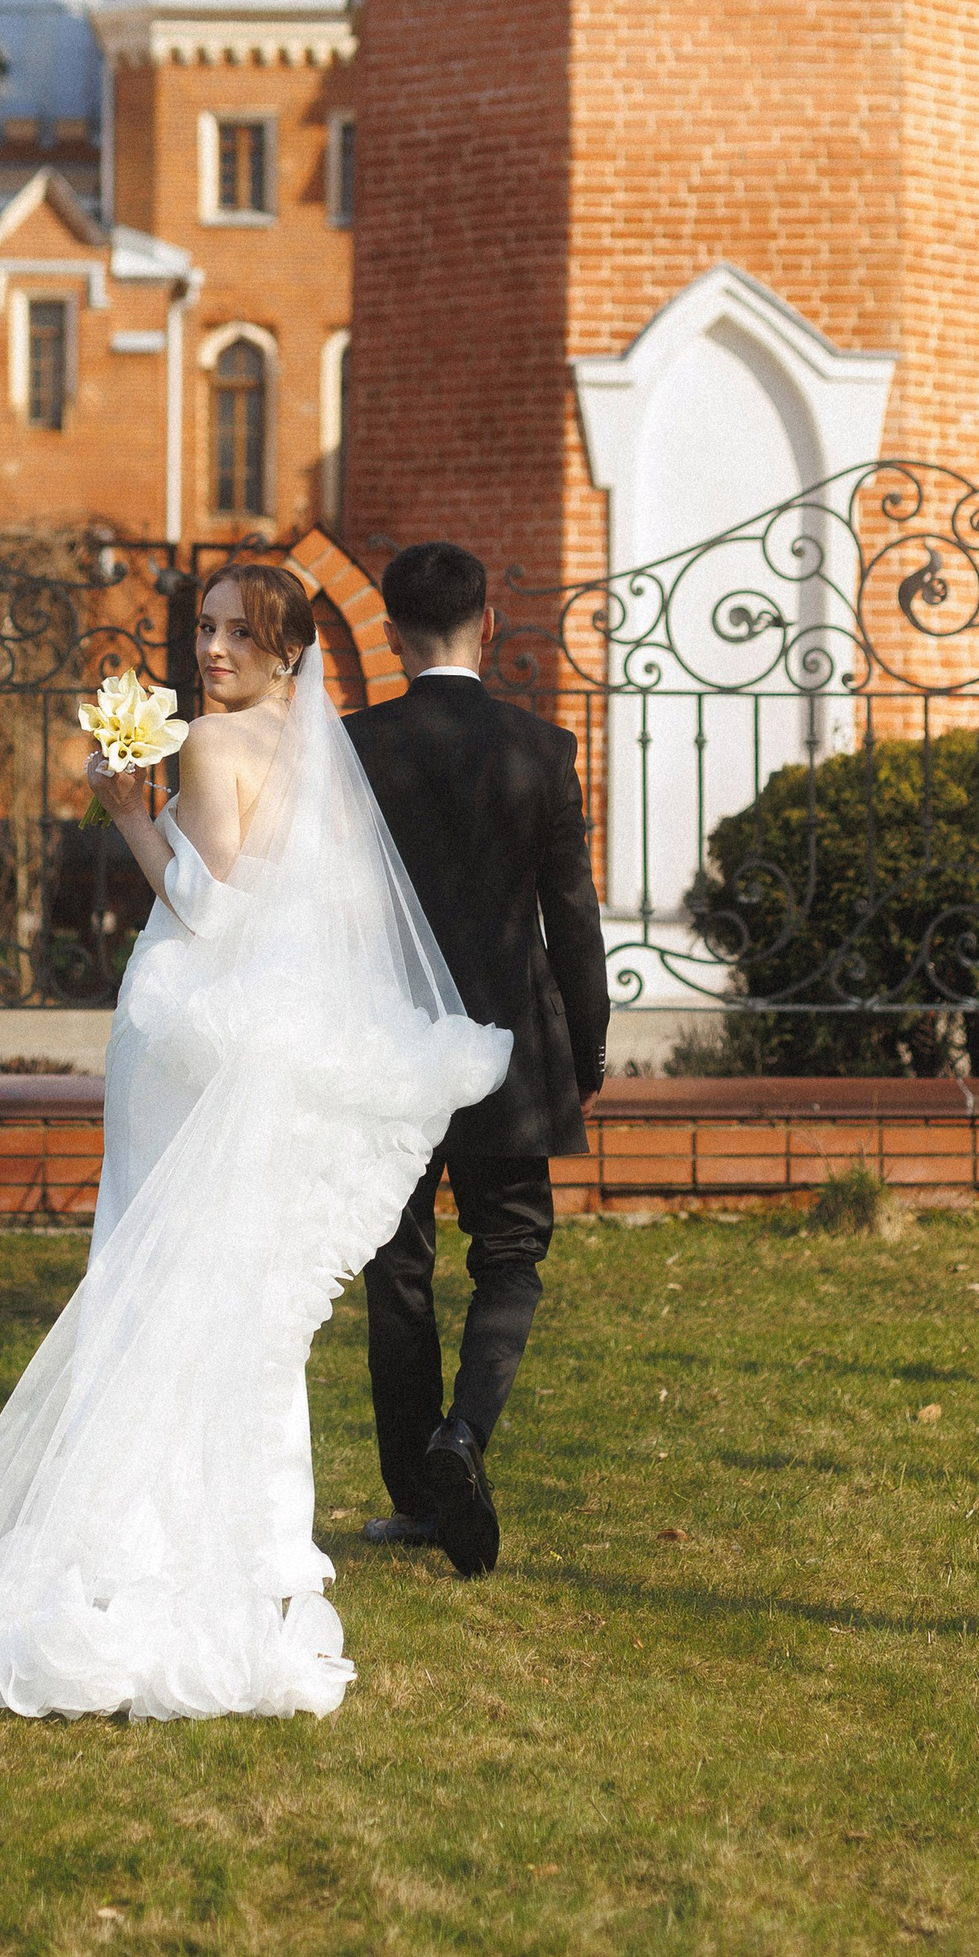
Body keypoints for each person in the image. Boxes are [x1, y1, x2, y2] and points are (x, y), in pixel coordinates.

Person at [0, 564, 508, 1722]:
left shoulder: (222, 745)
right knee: (228, 1284)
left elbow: (210, 905)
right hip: (250, 1036)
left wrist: (131, 813)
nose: (214, 650)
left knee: (144, 1265)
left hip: (185, 1025)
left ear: (287, 647)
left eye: (240, 632)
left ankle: (122, 1536)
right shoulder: (318, 745)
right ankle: (258, 1541)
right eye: (206, 628)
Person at [342, 540, 609, 1577]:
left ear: (393, 634)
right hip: (509, 1042)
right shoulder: (539, 748)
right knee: (511, 1254)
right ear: (486, 624)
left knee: (395, 1260)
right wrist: (583, 1048)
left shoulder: (356, 747)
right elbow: (572, 916)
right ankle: (465, 1434)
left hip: (386, 1043)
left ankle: (417, 1492)